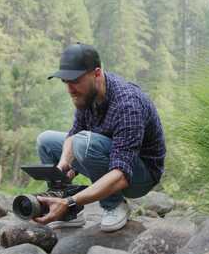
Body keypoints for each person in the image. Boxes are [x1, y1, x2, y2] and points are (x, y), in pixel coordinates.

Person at [33, 42, 166, 232]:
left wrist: (70, 200)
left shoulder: (128, 104)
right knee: (46, 141)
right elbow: (74, 132)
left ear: (96, 73)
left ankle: (113, 205)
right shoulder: (86, 94)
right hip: (104, 155)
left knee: (83, 143)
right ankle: (69, 212)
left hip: (139, 175)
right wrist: (64, 165)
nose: (70, 88)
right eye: (65, 81)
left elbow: (121, 175)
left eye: (75, 80)